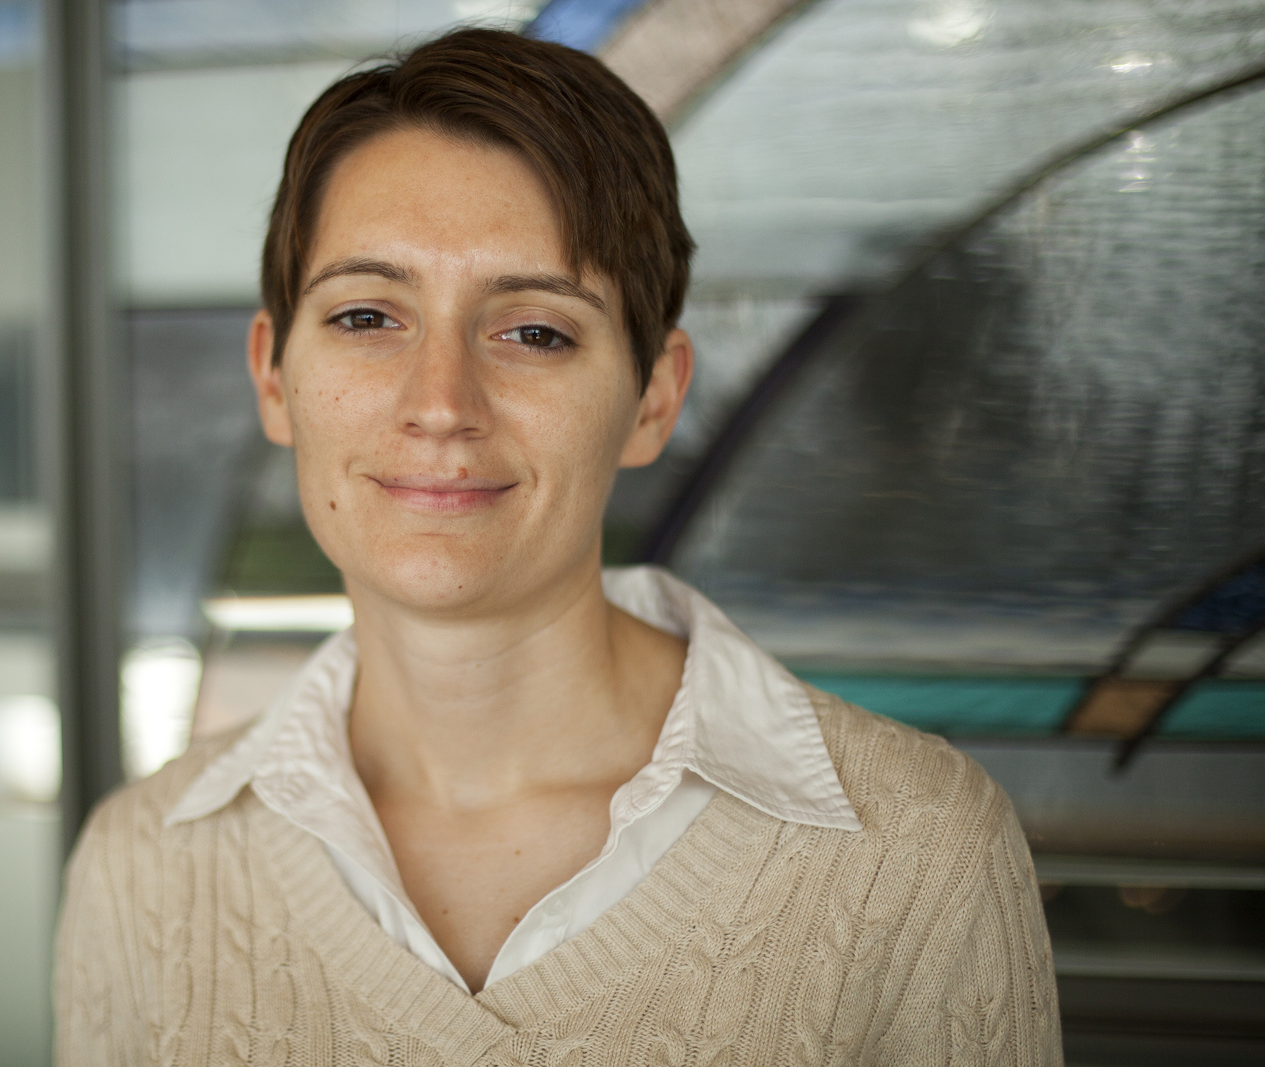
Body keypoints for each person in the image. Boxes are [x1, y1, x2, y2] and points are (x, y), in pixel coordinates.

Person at [55, 27, 1061, 1065]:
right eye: (366, 315)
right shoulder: (145, 866)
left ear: (652, 398)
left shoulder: (918, 853)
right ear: (273, 376)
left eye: (534, 331)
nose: (440, 403)